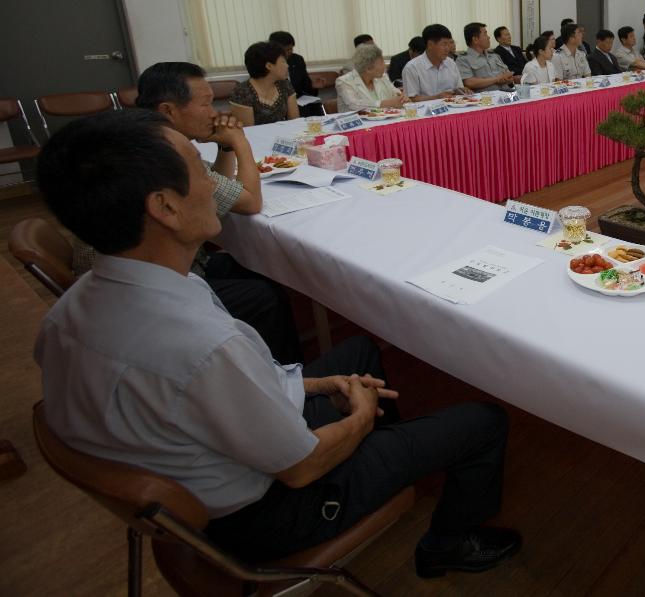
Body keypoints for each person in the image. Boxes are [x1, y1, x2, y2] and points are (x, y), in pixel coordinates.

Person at [34, 110, 521, 576]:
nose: (214, 184)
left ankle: (384, 463)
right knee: (482, 421)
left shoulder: (70, 310)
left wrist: (320, 386)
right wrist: (359, 417)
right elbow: (301, 466)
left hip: (200, 457)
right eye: (200, 171)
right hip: (267, 512)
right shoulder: (203, 347)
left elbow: (221, 393)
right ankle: (446, 544)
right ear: (164, 207)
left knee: (360, 355)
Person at [70, 62, 302, 364]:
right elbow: (249, 202)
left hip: (130, 275)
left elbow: (214, 193)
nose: (213, 112)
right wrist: (240, 143)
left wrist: (225, 149)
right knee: (264, 293)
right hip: (146, 292)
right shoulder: (161, 153)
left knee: (256, 264)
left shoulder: (141, 136)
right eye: (205, 103)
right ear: (168, 110)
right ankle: (279, 375)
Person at [229, 41, 300, 126]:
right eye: (283, 62)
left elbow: (295, 122)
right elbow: (247, 131)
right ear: (269, 66)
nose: (287, 66)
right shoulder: (241, 92)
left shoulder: (284, 84)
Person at [403, 25, 468, 101]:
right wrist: (436, 98)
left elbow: (457, 88)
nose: (448, 48)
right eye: (444, 44)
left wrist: (461, 91)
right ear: (430, 45)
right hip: (426, 112)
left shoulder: (451, 63)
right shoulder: (412, 68)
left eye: (449, 44)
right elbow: (411, 99)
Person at [336, 44, 407, 112]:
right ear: (368, 68)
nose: (385, 66)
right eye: (381, 63)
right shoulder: (344, 81)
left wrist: (402, 98)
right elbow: (354, 104)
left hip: (383, 120)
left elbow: (394, 92)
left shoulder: (382, 76)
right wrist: (385, 103)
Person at [457, 23, 515, 92]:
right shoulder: (463, 60)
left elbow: (508, 74)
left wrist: (508, 79)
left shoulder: (494, 56)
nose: (489, 37)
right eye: (485, 34)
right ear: (475, 39)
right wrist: (497, 79)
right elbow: (469, 82)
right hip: (486, 99)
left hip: (507, 94)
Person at [268, 31, 317, 107]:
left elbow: (306, 85)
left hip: (299, 101)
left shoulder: (297, 59)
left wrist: (314, 86)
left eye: (291, 48)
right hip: (277, 103)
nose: (290, 52)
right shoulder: (268, 63)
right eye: (287, 50)